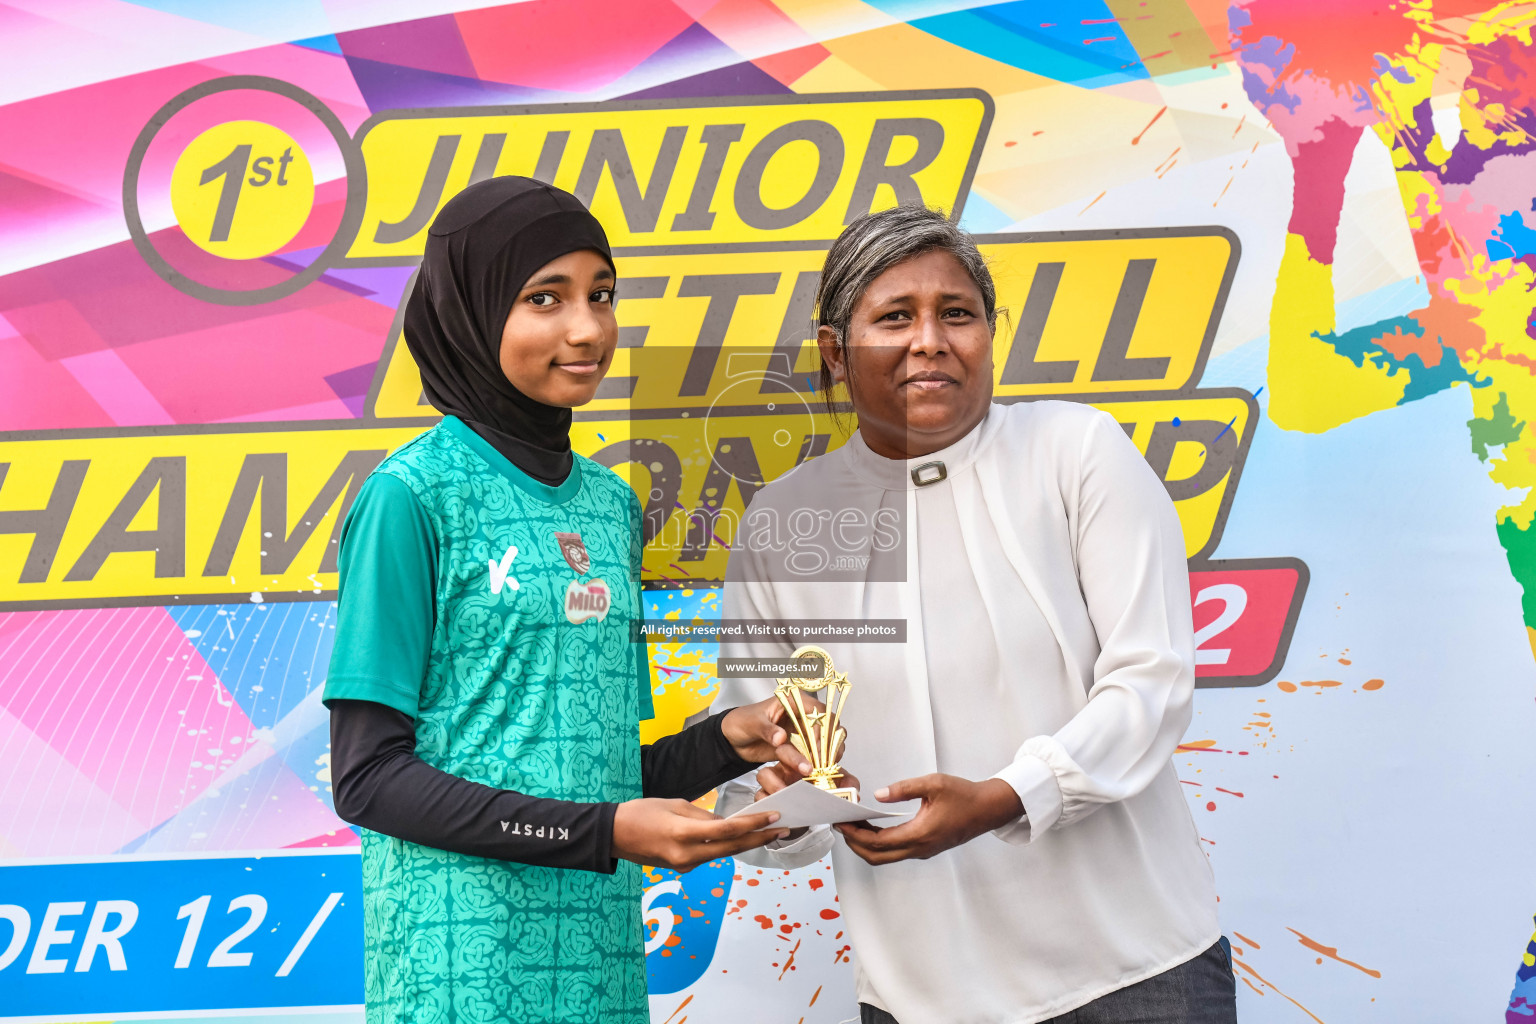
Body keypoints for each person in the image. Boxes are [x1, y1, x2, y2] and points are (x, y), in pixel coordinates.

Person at [713, 205, 1236, 1023]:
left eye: (956, 314)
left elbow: (1152, 683)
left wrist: (1006, 795)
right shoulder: (783, 523)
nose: (931, 340)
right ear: (833, 353)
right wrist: (789, 799)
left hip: (1138, 971)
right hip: (922, 995)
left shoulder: (1075, 453)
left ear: (989, 334)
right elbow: (753, 752)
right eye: (895, 317)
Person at [322, 177, 804, 1024]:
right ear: (469, 312)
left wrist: (730, 742)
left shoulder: (610, 505)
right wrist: (604, 836)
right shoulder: (412, 496)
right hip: (459, 975)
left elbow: (601, 778)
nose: (588, 329)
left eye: (602, 295)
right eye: (545, 298)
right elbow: (368, 781)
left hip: (601, 970)